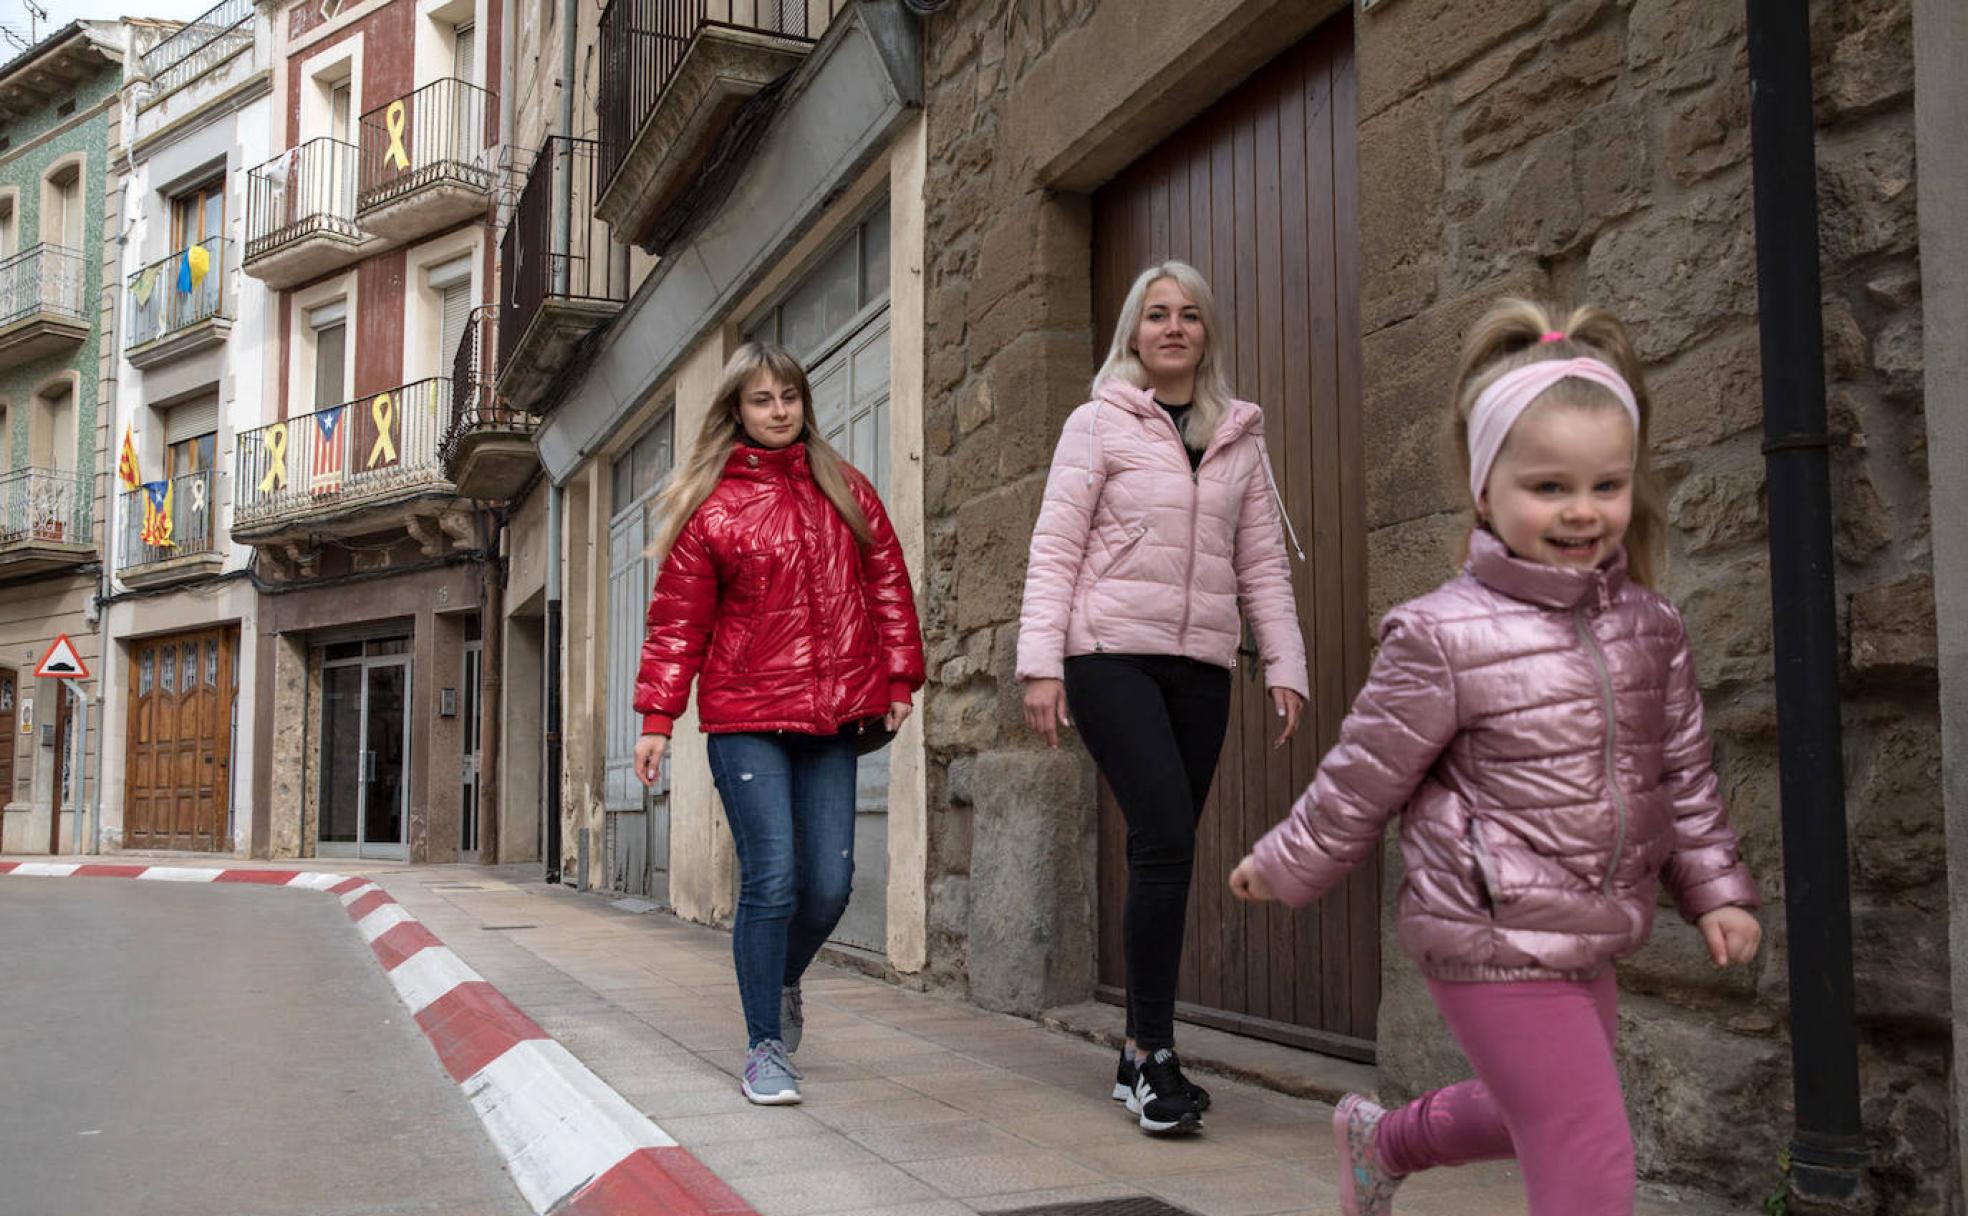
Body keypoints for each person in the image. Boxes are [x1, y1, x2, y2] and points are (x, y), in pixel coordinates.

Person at [1229, 299, 1763, 1214]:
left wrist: (1714, 890)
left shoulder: (1652, 627)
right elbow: (1363, 773)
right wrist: (1288, 863)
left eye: (1607, 485)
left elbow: (1682, 774)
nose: (1583, 511)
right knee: (1587, 1146)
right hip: (1482, 926)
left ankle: (1380, 1140)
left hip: (1589, 923)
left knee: (1529, 1112)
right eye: (1549, 487)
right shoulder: (1443, 633)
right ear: (1486, 489)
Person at [1017, 260, 1311, 1134]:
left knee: (1166, 850)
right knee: (1168, 834)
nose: (1174, 327)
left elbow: (1259, 561)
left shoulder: (1239, 437)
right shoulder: (1097, 423)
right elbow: (1054, 545)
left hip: (1202, 665)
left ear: (1206, 333)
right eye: (1156, 315)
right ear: (1132, 335)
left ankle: (1135, 1052)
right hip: (1109, 655)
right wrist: (1041, 664)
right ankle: (1155, 1057)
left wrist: (1284, 662)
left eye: (1189, 315)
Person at [632, 341, 924, 1107]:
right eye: (762, 399)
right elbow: (676, 624)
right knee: (773, 879)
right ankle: (764, 1044)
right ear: (736, 410)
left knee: (828, 886)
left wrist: (899, 676)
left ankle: (782, 976)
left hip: (832, 715)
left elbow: (887, 584)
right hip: (746, 717)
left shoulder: (846, 488)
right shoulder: (712, 508)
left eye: (789, 395)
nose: (779, 410)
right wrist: (657, 717)